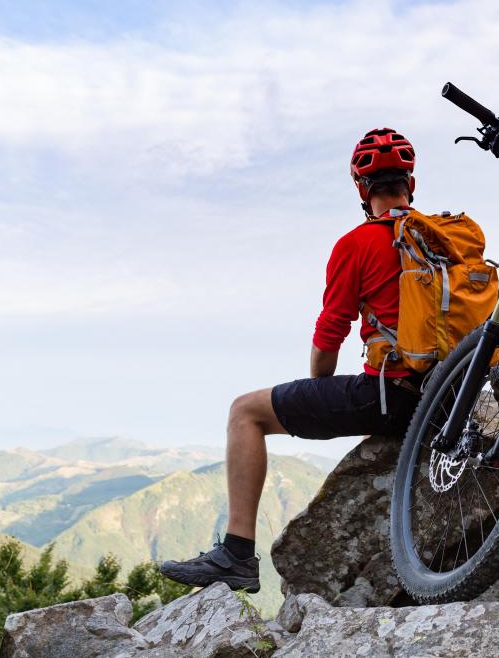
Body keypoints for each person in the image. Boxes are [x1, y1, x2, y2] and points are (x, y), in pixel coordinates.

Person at [159, 129, 424, 593]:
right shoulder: (452, 237)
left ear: (363, 190)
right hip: (447, 394)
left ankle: (237, 555)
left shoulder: (358, 243)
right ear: (411, 185)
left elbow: (331, 332)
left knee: (245, 411)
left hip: (390, 394)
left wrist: (320, 386)